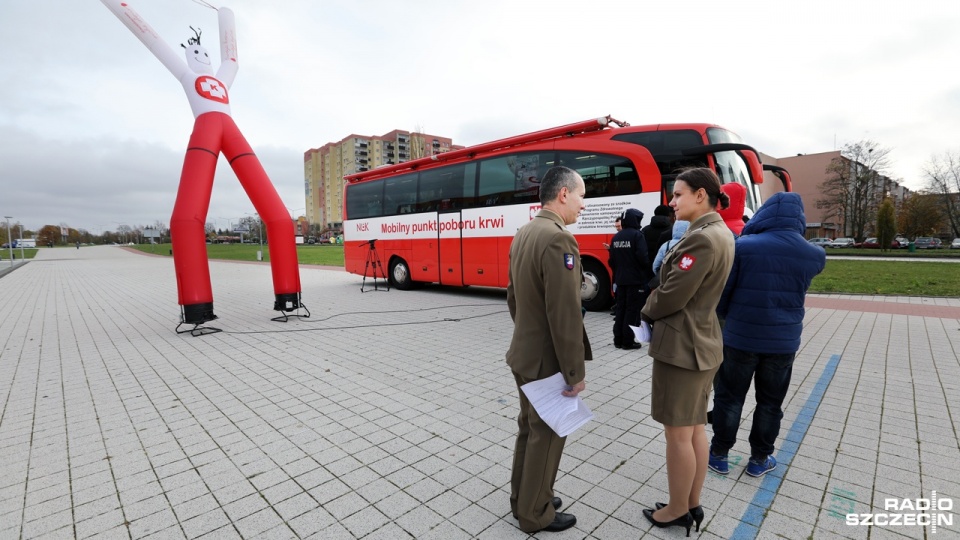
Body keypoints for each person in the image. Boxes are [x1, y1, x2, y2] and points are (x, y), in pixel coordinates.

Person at [639, 168, 735, 535]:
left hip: (683, 347)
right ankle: (691, 502)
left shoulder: (701, 239)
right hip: (701, 342)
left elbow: (672, 294)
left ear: (701, 195)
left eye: (678, 195)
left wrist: (645, 309)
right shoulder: (717, 232)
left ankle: (678, 508)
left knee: (677, 433)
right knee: (694, 429)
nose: (672, 202)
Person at [708, 192, 826, 477]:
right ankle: (760, 459)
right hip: (783, 342)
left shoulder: (744, 246)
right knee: (771, 403)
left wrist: (725, 317)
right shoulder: (814, 254)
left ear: (766, 213)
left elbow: (725, 294)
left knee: (729, 398)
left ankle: (720, 454)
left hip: (741, 337)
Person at [506, 165, 592, 533]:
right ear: (563, 195)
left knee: (529, 428)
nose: (583, 206)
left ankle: (524, 496)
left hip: (524, 352)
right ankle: (535, 512)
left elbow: (513, 297)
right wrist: (574, 372)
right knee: (548, 433)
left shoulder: (525, 232)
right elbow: (565, 313)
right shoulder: (559, 239)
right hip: (546, 360)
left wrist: (527, 333)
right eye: (582, 196)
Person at [609, 208, 651, 349]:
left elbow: (612, 261)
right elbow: (643, 258)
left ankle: (618, 339)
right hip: (635, 280)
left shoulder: (616, 237)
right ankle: (628, 341)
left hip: (620, 279)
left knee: (621, 309)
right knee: (632, 311)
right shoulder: (637, 235)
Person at [642, 204, 675, 269]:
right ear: (668, 215)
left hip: (648, 267)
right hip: (666, 266)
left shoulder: (645, 230)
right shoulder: (673, 229)